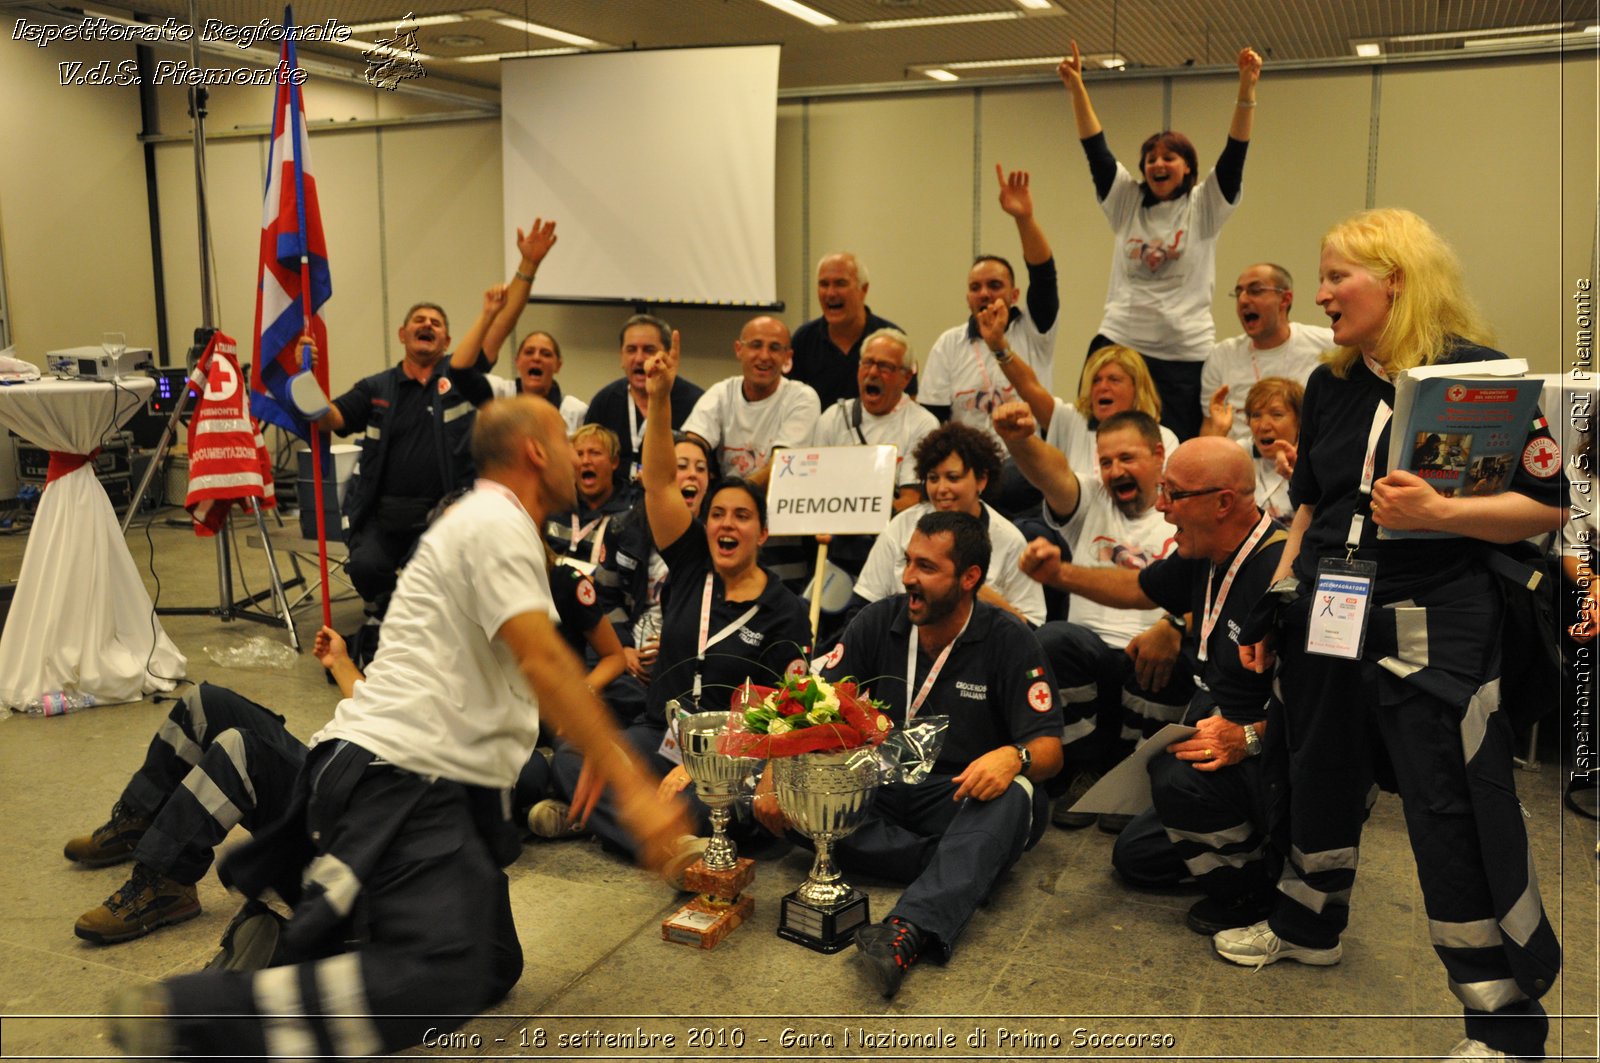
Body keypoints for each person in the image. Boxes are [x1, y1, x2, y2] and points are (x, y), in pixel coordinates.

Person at [109, 396, 691, 1059]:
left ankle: (308, 924)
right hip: (403, 774)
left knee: (493, 964)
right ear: (535, 450)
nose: (576, 455)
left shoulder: (495, 527)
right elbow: (542, 657)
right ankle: (192, 1012)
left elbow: (515, 669)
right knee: (437, 973)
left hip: (403, 773)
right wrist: (634, 789)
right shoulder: (496, 521)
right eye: (564, 440)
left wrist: (586, 741)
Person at [1226, 209, 1565, 1063]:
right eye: (1324, 275)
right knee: (1318, 765)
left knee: (1446, 800)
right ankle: (1307, 924)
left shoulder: (1477, 377)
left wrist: (1441, 512)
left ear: (1398, 280)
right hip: (1331, 607)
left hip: (1435, 615)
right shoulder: (1333, 383)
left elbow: (1548, 505)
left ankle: (1503, 1025)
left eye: (1340, 275)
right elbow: (1307, 506)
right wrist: (1275, 598)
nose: (1326, 293)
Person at [756, 510, 1061, 999]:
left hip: (960, 794)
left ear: (969, 578)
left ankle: (906, 930)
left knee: (1021, 798)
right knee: (801, 799)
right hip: (882, 782)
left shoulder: (1009, 639)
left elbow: (1050, 749)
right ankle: (964, 865)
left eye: (926, 567)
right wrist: (773, 776)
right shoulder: (880, 619)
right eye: (908, 562)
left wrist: (1013, 756)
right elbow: (809, 703)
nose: (908, 578)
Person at [550, 332, 811, 877]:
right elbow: (661, 483)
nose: (725, 525)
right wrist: (661, 395)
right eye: (717, 514)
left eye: (741, 516)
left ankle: (622, 822)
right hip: (659, 730)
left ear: (763, 534)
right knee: (576, 756)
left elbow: (785, 714)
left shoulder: (783, 609)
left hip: (730, 752)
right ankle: (667, 844)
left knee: (709, 804)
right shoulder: (693, 563)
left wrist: (702, 767)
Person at [1020, 438, 1286, 935]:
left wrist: (1249, 738)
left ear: (1223, 502)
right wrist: (1059, 574)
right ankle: (1250, 844)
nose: (1161, 508)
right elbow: (1140, 588)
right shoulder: (1206, 549)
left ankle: (1259, 888)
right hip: (1219, 725)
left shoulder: (1282, 576)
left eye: (1174, 494)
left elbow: (1333, 714)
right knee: (1136, 858)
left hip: (1272, 754)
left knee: (1173, 777)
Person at [1058, 42, 1263, 440]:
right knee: (1103, 440)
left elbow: (1235, 152)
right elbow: (1095, 148)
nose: (1157, 164)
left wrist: (1246, 91)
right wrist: (1078, 90)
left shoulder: (1204, 206)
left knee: (1172, 446)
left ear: (1187, 167)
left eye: (1169, 157)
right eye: (1150, 158)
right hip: (1121, 342)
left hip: (1182, 354)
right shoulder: (1126, 202)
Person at [994, 403, 1182, 829]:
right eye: (1106, 461)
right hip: (1090, 650)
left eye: (1127, 458)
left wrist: (1174, 625)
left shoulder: (1182, 508)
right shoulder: (1090, 498)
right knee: (1053, 639)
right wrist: (1020, 438)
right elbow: (1049, 473)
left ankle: (1135, 780)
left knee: (1181, 647)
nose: (1115, 471)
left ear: (1158, 455)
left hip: (1151, 651)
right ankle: (1084, 770)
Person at [310, 301, 475, 607]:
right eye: (419, 320)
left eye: (436, 323)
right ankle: (391, 618)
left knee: (425, 575)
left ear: (448, 341)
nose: (427, 325)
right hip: (382, 516)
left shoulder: (463, 385)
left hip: (443, 515)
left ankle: (404, 620)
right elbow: (327, 419)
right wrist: (304, 375)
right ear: (402, 334)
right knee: (364, 568)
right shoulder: (376, 388)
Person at [852, 422, 1046, 626]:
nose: (941, 489)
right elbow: (864, 604)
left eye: (953, 478)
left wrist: (974, 591)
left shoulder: (1009, 540)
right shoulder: (902, 525)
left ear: (981, 480)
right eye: (933, 478)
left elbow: (1032, 627)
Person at [918, 165, 1059, 444]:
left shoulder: (1036, 330)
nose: (984, 294)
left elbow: (1043, 274)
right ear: (967, 297)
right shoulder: (948, 345)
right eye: (975, 288)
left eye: (995, 286)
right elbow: (932, 421)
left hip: (1029, 465)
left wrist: (1024, 219)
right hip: (969, 467)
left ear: (1014, 294)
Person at [446, 218, 585, 432]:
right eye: (529, 352)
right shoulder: (501, 395)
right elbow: (459, 371)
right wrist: (488, 314)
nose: (536, 357)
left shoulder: (576, 411)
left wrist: (530, 265)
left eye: (546, 354)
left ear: (558, 364)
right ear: (517, 361)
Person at [990, 329, 1179, 476]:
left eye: (1114, 380)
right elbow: (1029, 386)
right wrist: (1000, 348)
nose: (1102, 387)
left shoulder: (1163, 438)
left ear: (1137, 389)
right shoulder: (1073, 422)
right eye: (1096, 380)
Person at [1198, 263, 1332, 446]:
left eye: (1255, 291)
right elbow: (1210, 427)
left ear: (1285, 299)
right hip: (1240, 465)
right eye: (1239, 293)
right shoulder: (1222, 355)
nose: (1243, 300)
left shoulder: (1328, 345)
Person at [810, 327, 939, 516]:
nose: (872, 372)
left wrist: (858, 517)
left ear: (906, 377)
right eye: (867, 363)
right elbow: (814, 488)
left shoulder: (923, 425)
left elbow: (910, 501)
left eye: (884, 367)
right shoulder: (833, 417)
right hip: (835, 533)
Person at [681, 315, 820, 484]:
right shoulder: (720, 393)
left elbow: (781, 468)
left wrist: (736, 497)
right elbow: (690, 447)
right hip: (726, 503)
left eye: (775, 348)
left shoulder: (802, 398)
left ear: (787, 357)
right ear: (738, 349)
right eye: (756, 345)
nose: (764, 356)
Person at [585, 314, 705, 478]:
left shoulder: (697, 403)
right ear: (622, 357)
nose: (639, 358)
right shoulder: (604, 401)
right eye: (631, 350)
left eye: (649, 350)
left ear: (667, 355)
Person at [786, 253, 903, 412]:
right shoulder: (804, 339)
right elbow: (787, 402)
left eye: (840, 283)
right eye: (824, 284)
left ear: (864, 289)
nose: (831, 293)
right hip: (819, 435)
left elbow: (907, 405)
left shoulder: (891, 340)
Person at [541, 424, 633, 571]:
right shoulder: (554, 502)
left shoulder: (631, 511)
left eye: (595, 453)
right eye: (579, 454)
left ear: (614, 462)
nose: (585, 461)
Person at [1238, 376, 1303, 522]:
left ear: (1299, 420)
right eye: (1256, 415)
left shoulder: (1315, 458)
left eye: (1277, 415)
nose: (1264, 426)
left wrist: (1296, 478)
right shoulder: (1239, 454)